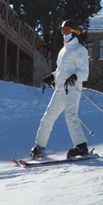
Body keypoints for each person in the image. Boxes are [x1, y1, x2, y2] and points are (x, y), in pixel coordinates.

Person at [30, 20, 91, 160]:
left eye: (67, 30)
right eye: (62, 31)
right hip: (59, 89)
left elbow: (84, 72)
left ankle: (81, 146)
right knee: (48, 116)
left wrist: (75, 77)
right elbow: (60, 70)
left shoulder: (80, 49)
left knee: (71, 116)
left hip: (72, 89)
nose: (64, 33)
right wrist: (52, 76)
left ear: (75, 32)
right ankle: (39, 147)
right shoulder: (63, 51)